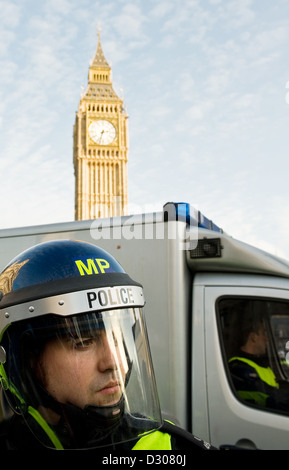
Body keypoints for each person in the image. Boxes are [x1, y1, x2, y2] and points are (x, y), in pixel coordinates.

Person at [0, 239, 212, 451]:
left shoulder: (167, 446)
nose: (114, 362)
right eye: (83, 342)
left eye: (118, 338)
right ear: (25, 363)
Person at [228, 308, 289, 410]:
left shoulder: (259, 363)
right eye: (264, 333)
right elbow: (269, 395)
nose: (267, 338)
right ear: (253, 337)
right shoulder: (239, 368)